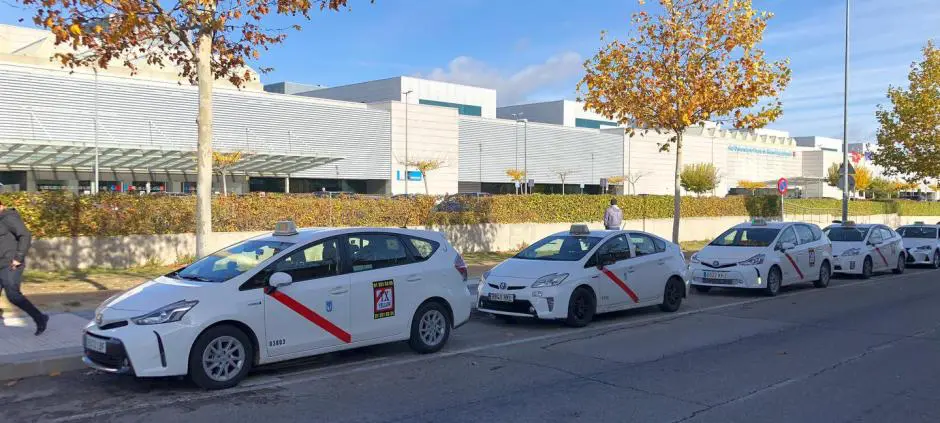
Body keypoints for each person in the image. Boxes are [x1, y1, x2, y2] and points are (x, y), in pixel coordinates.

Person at [0, 199, 48, 335]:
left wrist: (18, 258)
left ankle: (40, 318)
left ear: (1, 206)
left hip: (10, 264)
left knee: (13, 296)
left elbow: (25, 235)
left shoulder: (9, 217)